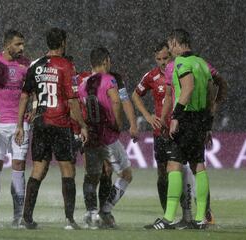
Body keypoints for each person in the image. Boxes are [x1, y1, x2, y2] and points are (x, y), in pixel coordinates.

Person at [15, 27, 88, 230]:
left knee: (38, 168)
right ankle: (69, 220)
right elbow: (73, 101)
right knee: (68, 169)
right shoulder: (67, 66)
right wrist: (82, 125)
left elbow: (24, 96)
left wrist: (19, 125)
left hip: (39, 123)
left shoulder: (35, 65)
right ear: (63, 42)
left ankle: (26, 218)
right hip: (60, 122)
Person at [150, 29, 215, 230]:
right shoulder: (202, 63)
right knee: (198, 165)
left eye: (170, 44)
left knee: (173, 165)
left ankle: (168, 217)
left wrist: (176, 117)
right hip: (199, 119)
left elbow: (187, 88)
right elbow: (212, 92)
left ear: (177, 42)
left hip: (185, 118)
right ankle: (200, 218)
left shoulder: (181, 63)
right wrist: (207, 123)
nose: (170, 48)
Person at [131, 42, 195, 225]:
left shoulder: (181, 71)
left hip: (179, 129)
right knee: (162, 174)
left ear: (171, 56)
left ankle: (189, 214)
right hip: (160, 132)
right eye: (158, 59)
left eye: (165, 58)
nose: (162, 62)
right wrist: (148, 116)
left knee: (182, 170)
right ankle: (168, 215)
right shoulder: (151, 76)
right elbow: (135, 95)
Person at [77, 47, 135, 229]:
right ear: (106, 61)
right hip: (108, 136)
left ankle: (92, 213)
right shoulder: (111, 79)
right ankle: (106, 210)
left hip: (91, 137)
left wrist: (83, 127)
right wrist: (119, 123)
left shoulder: (82, 84)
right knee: (125, 174)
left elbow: (77, 107)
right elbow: (118, 101)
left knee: (92, 176)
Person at [0, 29, 31, 227]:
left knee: (19, 167)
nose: (22, 48)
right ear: (6, 45)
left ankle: (18, 217)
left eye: (23, 44)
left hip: (21, 125)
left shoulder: (27, 65)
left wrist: (33, 110)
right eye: (18, 44)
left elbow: (33, 93)